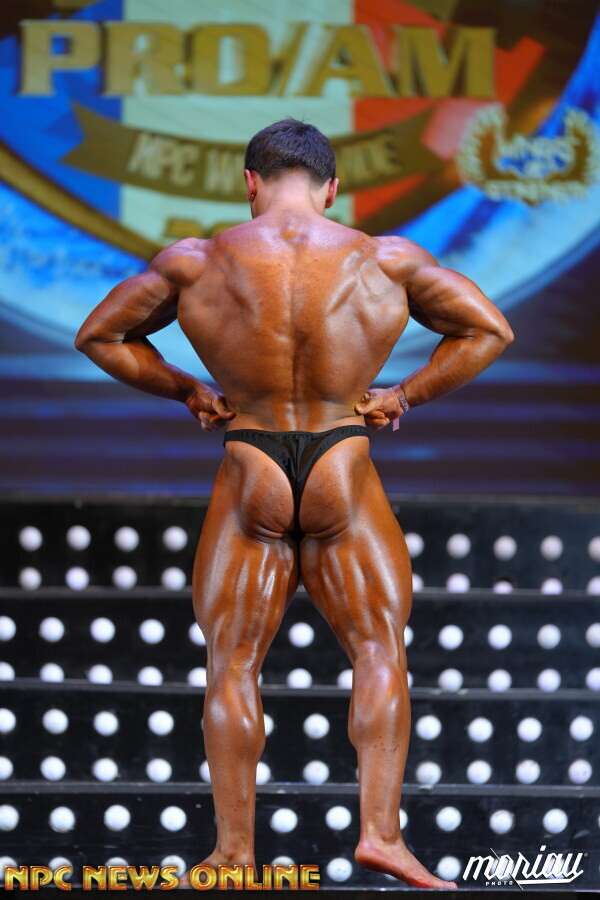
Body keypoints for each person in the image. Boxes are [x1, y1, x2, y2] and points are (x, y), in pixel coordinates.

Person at [74, 118, 514, 889]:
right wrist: (405, 395)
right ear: (331, 188)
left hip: (252, 459)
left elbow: (99, 336)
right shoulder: (385, 259)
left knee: (232, 663)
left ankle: (233, 855)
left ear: (249, 182)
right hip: (343, 453)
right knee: (378, 650)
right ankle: (381, 835)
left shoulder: (198, 261)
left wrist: (187, 389)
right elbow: (489, 330)